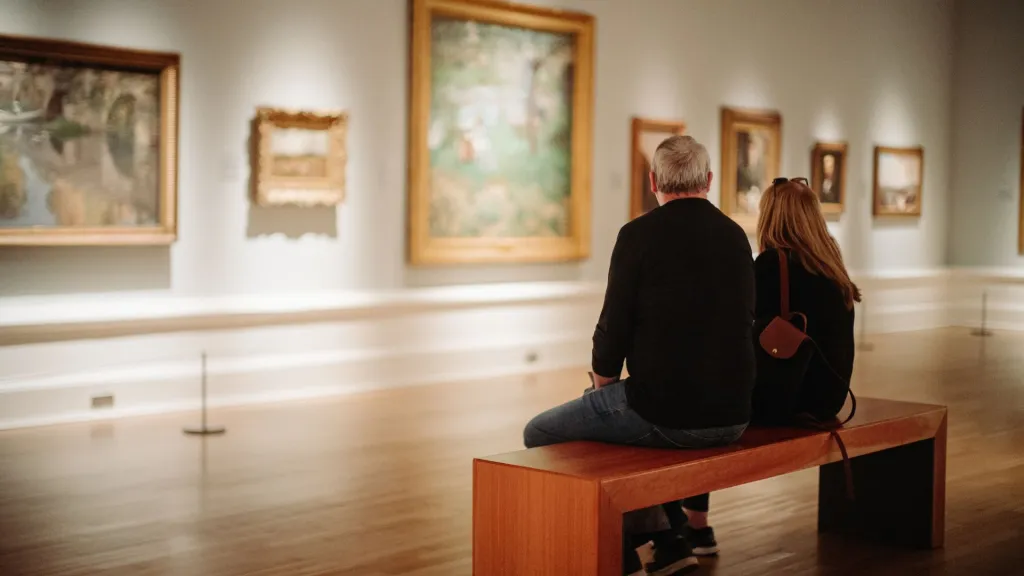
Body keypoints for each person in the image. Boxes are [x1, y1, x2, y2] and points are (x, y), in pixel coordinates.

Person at [522, 135, 756, 576]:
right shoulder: (735, 236)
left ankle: (638, 544)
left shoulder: (638, 236)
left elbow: (613, 327)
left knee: (539, 433)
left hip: (664, 411)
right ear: (708, 180)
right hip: (735, 413)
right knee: (624, 425)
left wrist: (602, 383)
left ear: (653, 182)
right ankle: (666, 540)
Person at [679, 177, 861, 556]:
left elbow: (730, 332)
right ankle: (688, 525)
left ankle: (692, 527)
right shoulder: (833, 269)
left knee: (691, 410)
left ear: (771, 218)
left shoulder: (771, 265)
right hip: (827, 401)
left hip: (785, 399)